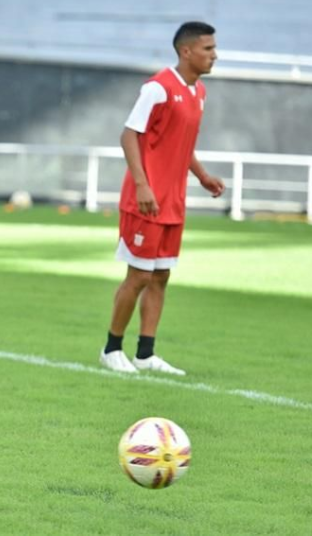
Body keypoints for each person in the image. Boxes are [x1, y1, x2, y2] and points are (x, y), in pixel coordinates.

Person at [99, 21, 225, 376]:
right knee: (138, 275)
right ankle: (111, 349)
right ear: (186, 51)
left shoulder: (199, 92)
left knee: (160, 276)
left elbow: (179, 144)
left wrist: (202, 176)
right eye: (208, 49)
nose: (214, 55)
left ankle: (145, 353)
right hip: (145, 200)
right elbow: (128, 136)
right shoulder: (157, 88)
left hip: (172, 202)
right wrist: (142, 185)